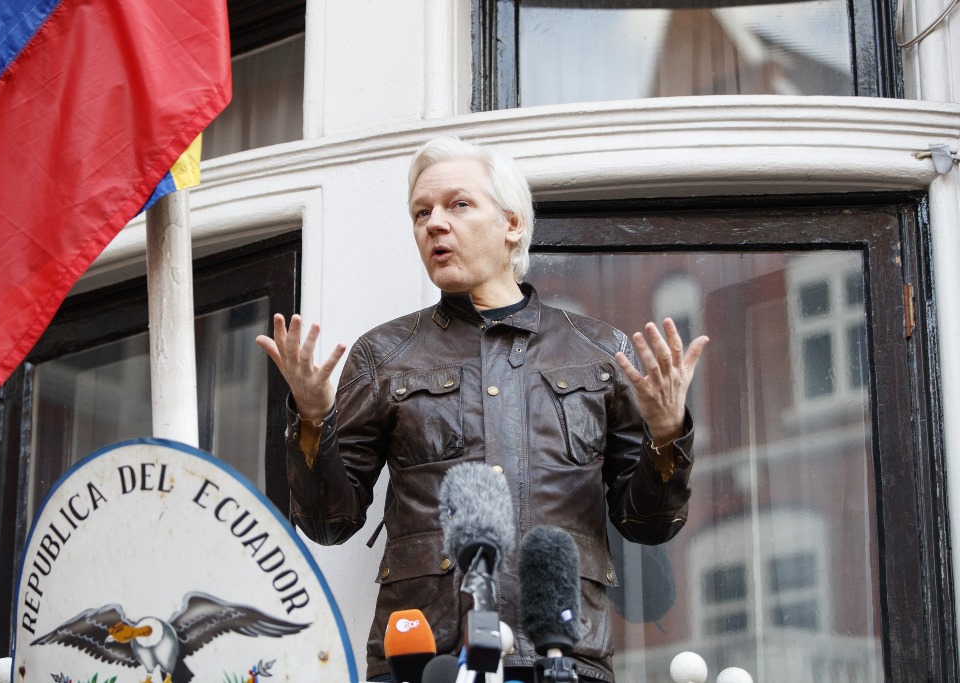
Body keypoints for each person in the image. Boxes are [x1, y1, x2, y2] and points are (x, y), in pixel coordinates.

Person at [256, 137, 708, 683]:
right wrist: (311, 420)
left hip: (565, 655)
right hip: (425, 660)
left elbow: (649, 524)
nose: (434, 224)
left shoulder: (598, 351)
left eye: (457, 204)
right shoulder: (384, 354)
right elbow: (328, 523)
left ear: (512, 224)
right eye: (421, 212)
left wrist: (666, 433)